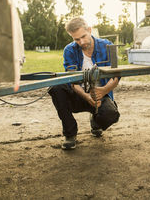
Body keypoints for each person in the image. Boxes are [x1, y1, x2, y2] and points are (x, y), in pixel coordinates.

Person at [48, 17, 120, 150]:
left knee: (111, 115)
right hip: (79, 95)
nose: (81, 42)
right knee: (56, 88)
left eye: (83, 37)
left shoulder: (107, 45)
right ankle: (70, 134)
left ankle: (96, 121)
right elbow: (72, 81)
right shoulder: (69, 50)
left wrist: (103, 91)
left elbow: (116, 75)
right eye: (76, 39)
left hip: (100, 95)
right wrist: (86, 96)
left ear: (90, 30)